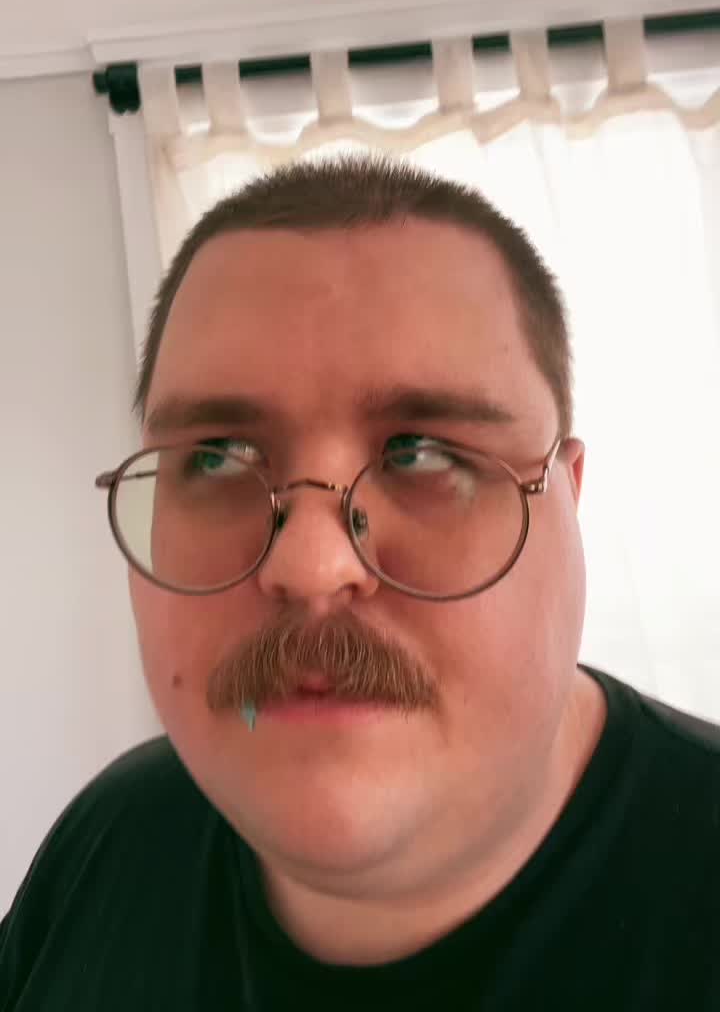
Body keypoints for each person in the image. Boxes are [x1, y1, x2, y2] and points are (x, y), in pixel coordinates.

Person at [1, 153, 718, 1012]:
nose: (310, 567)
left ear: (569, 495)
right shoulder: (111, 839)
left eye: (423, 453)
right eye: (217, 457)